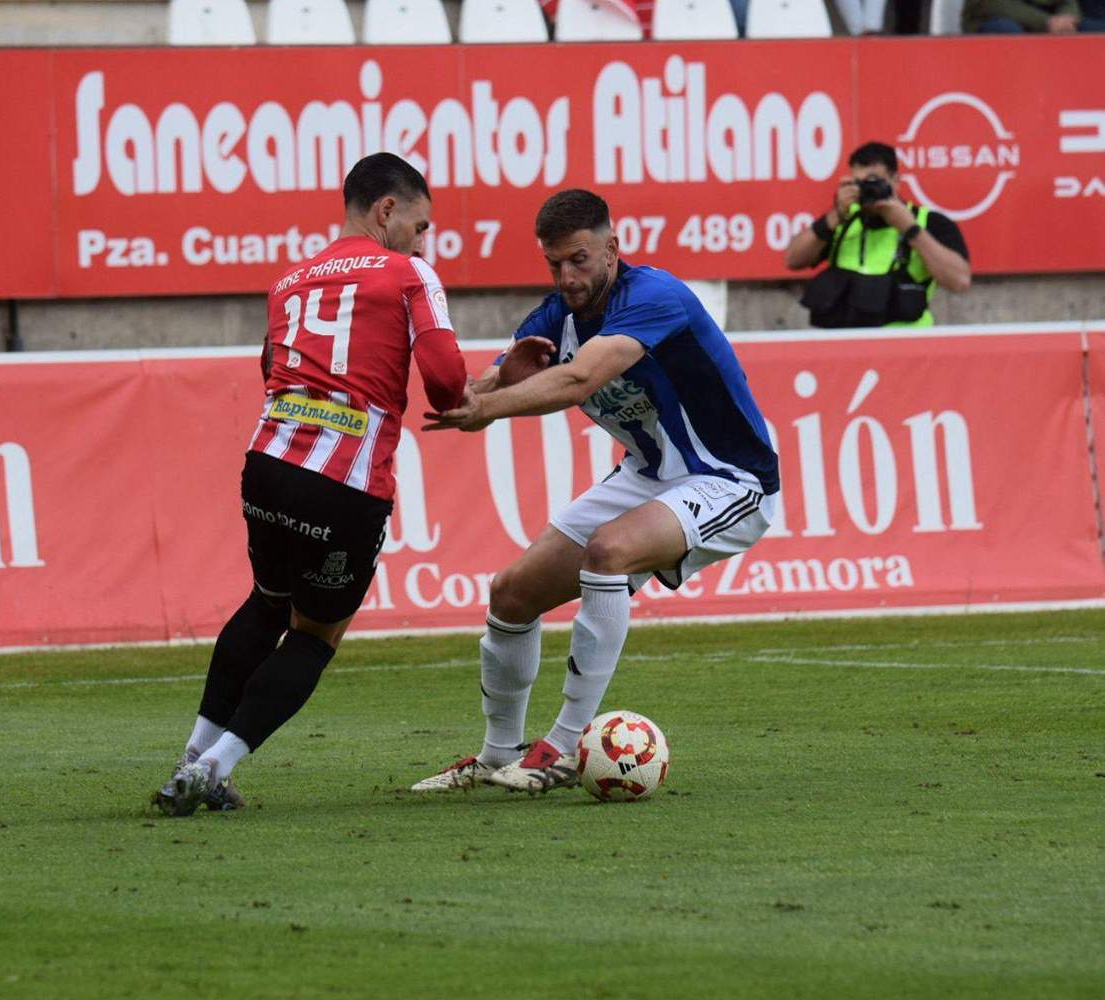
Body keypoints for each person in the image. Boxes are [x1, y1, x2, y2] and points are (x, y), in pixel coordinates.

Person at [411, 189, 779, 795]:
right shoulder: (556, 316)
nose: (567, 277)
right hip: (646, 473)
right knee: (510, 593)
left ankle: (562, 745)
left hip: (729, 477)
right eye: (555, 264)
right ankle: (497, 755)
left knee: (607, 553)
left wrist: (491, 406)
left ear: (613, 247)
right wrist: (482, 387)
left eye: (579, 260)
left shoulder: (655, 297)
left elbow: (581, 376)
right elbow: (496, 381)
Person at [152, 153, 469, 817]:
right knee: (315, 634)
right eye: (419, 224)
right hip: (344, 487)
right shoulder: (410, 275)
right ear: (387, 210)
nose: (422, 239)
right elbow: (443, 380)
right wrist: (479, 393)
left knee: (267, 602)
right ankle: (215, 767)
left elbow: (271, 366)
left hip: (266, 465)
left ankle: (191, 754)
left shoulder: (291, 282)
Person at [785, 141, 970, 329]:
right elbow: (793, 259)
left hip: (905, 345)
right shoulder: (843, 222)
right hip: (844, 344)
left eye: (874, 183)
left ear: (895, 181)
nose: (868, 191)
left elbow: (959, 281)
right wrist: (833, 217)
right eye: (860, 184)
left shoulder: (927, 222)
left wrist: (910, 229)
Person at [962, 0, 1105, 31]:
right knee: (1005, 29)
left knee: (1092, 28)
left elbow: (1067, 1)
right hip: (996, 24)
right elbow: (993, 5)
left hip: (1053, 28)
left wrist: (1068, 19)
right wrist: (1047, 22)